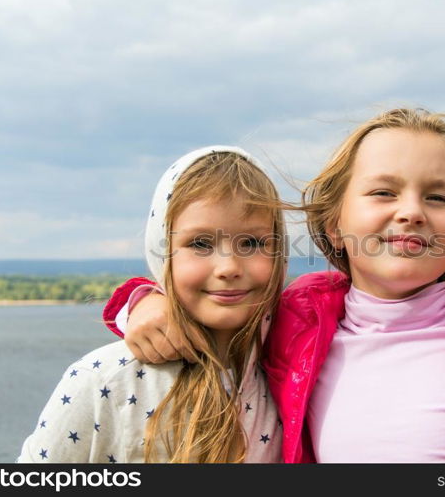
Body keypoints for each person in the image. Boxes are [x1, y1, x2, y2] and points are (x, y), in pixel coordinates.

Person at [102, 109, 445, 463]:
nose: (411, 212)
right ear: (335, 223)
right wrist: (143, 303)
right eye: (383, 192)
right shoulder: (297, 320)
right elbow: (215, 304)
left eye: (438, 197)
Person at [18, 147, 285, 463]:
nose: (228, 267)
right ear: (162, 254)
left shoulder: (296, 368)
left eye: (252, 243)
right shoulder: (103, 380)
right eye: (200, 243)